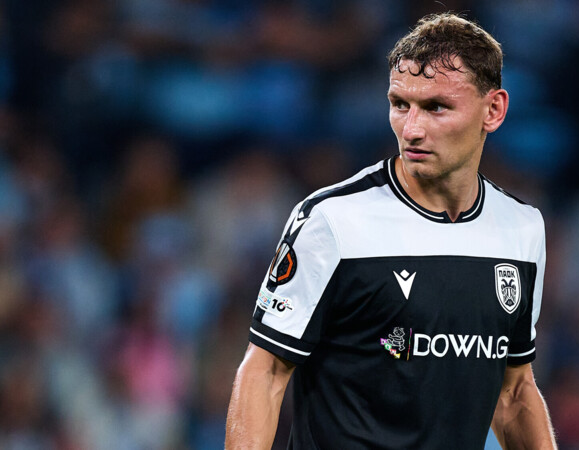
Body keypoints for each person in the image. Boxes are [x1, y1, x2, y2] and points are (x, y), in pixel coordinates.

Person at [226, 13, 556, 450]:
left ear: (492, 110)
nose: (412, 130)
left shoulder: (522, 229)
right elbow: (265, 371)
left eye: (436, 107)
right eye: (400, 104)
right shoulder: (333, 220)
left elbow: (513, 394)